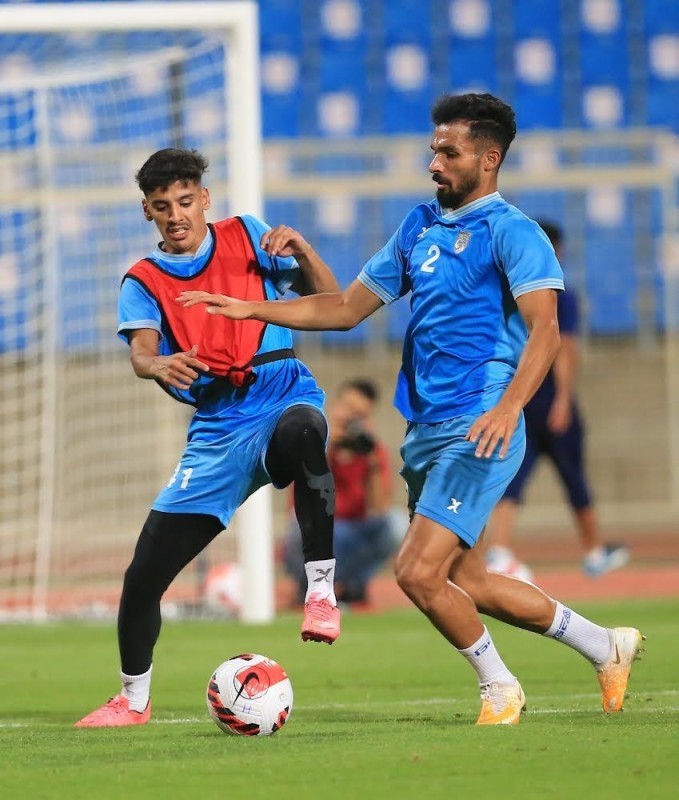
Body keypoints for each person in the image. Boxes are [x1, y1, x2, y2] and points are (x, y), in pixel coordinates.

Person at [178, 93, 644, 725]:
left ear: (489, 158)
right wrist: (251, 309)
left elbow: (547, 331)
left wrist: (509, 408)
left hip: (479, 425)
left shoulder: (513, 232)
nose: (434, 163)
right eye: (433, 150)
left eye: (449, 153)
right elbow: (345, 308)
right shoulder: (418, 226)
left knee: (416, 572)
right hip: (426, 429)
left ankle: (501, 687)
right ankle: (604, 645)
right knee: (469, 581)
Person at [74, 148, 342, 728]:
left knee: (305, 432)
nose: (176, 215)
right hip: (219, 425)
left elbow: (331, 301)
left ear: (205, 199)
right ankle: (133, 700)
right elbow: (142, 353)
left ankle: (321, 590)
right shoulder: (143, 280)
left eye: (185, 201)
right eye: (162, 206)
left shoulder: (247, 235)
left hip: (280, 389)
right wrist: (156, 365)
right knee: (143, 578)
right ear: (147, 211)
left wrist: (304, 251)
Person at [485, 220, 630, 582]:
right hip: (547, 395)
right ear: (556, 251)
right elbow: (565, 348)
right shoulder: (558, 295)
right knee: (573, 476)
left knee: (512, 475)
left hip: (516, 398)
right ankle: (594, 551)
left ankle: (499, 550)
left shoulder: (506, 293)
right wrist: (563, 399)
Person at [283, 378, 396, 607]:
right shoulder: (315, 441)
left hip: (354, 531)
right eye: (348, 409)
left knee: (396, 525)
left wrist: (372, 464)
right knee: (297, 525)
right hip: (318, 527)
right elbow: (302, 495)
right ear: (335, 405)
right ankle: (308, 586)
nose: (351, 418)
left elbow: (379, 509)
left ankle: (353, 584)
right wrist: (327, 446)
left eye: (359, 415)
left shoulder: (373, 452)